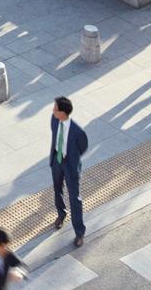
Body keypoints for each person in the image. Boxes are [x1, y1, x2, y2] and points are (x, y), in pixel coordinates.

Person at [49, 96, 88, 247]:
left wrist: (72, 158)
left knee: (74, 198)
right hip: (57, 161)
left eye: (55, 109)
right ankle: (61, 214)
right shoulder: (54, 120)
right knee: (57, 190)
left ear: (63, 112)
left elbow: (83, 147)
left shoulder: (78, 132)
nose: (53, 111)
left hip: (70, 165)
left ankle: (79, 233)